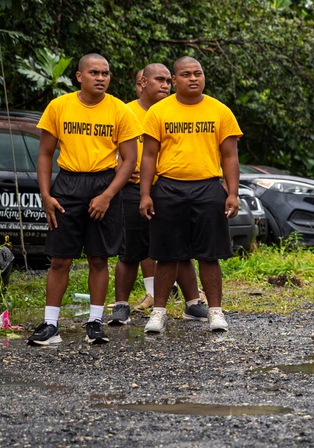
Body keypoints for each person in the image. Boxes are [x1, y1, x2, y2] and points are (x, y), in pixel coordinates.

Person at [27, 54, 141, 346]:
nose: (101, 78)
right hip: (68, 183)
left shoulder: (119, 110)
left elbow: (129, 160)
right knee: (60, 259)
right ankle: (50, 325)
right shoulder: (60, 106)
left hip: (105, 182)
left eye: (105, 73)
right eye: (94, 72)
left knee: (98, 258)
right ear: (79, 76)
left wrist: (107, 195)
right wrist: (46, 195)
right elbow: (44, 154)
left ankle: (95, 323)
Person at [140, 56, 243, 334]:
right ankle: (158, 313)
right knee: (167, 255)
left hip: (208, 188)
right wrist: (145, 194)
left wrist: (232, 192)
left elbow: (230, 155)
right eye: (186, 74)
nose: (193, 78)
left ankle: (215, 312)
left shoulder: (220, 111)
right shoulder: (159, 111)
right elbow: (148, 156)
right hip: (169, 187)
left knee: (210, 255)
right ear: (174, 80)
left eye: (198, 73)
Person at [110, 65, 207, 326]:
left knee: (180, 249)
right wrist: (120, 168)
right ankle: (121, 306)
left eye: (167, 80)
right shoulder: (126, 111)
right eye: (159, 80)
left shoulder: (175, 110)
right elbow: (107, 147)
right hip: (134, 189)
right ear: (142, 82)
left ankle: (193, 303)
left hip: (168, 188)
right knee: (131, 249)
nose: (165, 85)